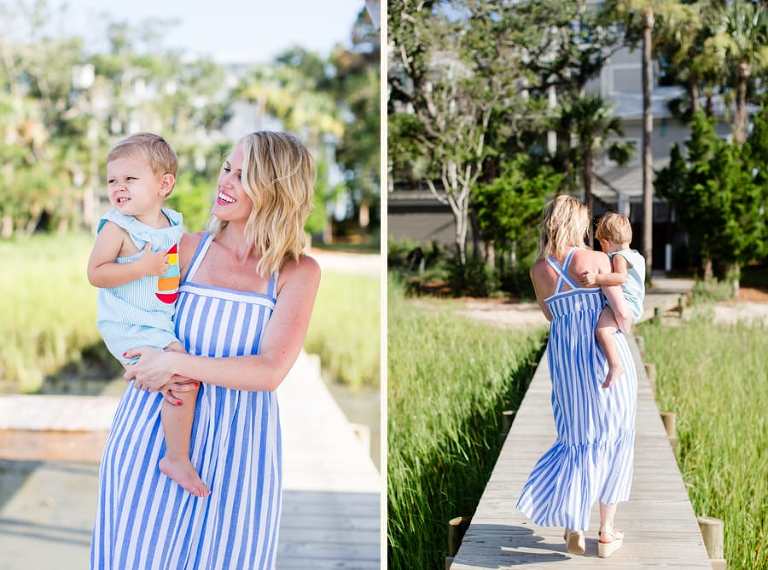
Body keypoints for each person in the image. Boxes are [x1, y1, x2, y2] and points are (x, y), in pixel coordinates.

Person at [90, 131, 321, 570]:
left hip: (240, 444)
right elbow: (127, 310)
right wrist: (136, 359)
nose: (225, 182)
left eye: (243, 175)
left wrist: (175, 361)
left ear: (277, 188)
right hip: (154, 432)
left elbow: (269, 371)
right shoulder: (185, 249)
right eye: (226, 169)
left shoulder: (298, 272)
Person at [87, 132, 208, 497]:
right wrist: (141, 267)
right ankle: (176, 458)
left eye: (129, 179)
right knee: (183, 375)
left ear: (164, 184)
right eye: (112, 180)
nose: (118, 188)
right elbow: (96, 273)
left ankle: (172, 448)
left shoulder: (171, 223)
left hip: (157, 318)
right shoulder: (117, 227)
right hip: (129, 321)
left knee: (182, 376)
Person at [516, 195, 637, 559]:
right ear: (576, 223)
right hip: (603, 357)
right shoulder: (596, 259)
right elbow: (622, 314)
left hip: (566, 360)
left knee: (577, 437)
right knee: (614, 436)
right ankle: (605, 532)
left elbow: (551, 317)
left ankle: (574, 525)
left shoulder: (538, 270)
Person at [578, 212, 646, 388]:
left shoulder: (618, 257)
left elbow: (621, 278)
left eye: (601, 244)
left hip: (625, 304)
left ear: (606, 242)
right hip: (635, 305)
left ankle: (615, 366)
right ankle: (615, 364)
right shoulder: (637, 256)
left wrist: (597, 278)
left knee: (602, 332)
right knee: (607, 332)